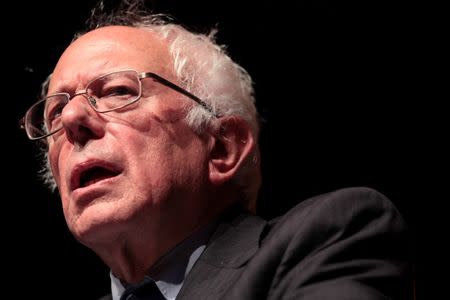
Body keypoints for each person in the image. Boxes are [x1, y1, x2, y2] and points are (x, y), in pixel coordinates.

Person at [20, 1, 412, 299]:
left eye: (119, 91)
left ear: (222, 147)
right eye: (55, 111)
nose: (71, 118)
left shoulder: (326, 242)